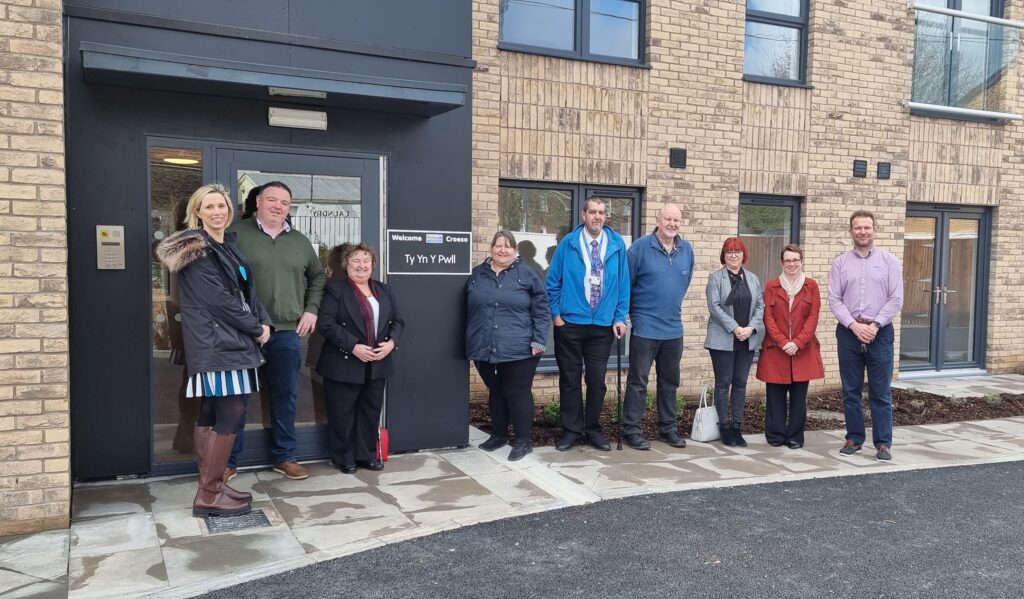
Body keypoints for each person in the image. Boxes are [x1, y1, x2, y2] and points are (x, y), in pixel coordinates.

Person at [156, 183, 272, 517]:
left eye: (221, 206)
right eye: (209, 207)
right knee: (231, 411)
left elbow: (247, 292)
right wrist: (256, 328)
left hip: (229, 340)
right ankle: (208, 494)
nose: (217, 212)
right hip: (217, 342)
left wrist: (264, 322)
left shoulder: (227, 245)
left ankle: (214, 485)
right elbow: (218, 301)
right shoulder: (196, 248)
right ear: (197, 212)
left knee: (211, 411)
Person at [228, 181, 326, 480]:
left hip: (287, 333)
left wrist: (311, 309)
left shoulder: (299, 240)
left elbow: (318, 276)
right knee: (238, 399)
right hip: (245, 332)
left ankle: (284, 456)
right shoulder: (236, 235)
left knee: (285, 396)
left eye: (284, 202)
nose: (278, 206)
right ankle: (229, 461)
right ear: (257, 201)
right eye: (272, 199)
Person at [546, 198, 630, 452]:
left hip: (602, 326)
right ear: (584, 215)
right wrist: (556, 314)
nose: (597, 216)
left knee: (597, 381)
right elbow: (552, 281)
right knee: (570, 380)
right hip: (570, 323)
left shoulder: (616, 245)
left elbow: (623, 285)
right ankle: (571, 430)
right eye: (593, 212)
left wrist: (619, 316)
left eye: (602, 212)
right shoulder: (568, 244)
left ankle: (593, 430)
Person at [316, 243, 403, 473]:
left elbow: (398, 321)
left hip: (377, 362)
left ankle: (366, 455)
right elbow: (326, 324)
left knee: (370, 411)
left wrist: (391, 343)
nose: (361, 265)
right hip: (344, 361)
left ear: (373, 265)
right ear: (346, 265)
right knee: (342, 413)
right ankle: (344, 457)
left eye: (366, 260)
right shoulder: (335, 289)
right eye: (356, 260)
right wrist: (353, 346)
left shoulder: (384, 290)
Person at [466, 231, 550, 461]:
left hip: (521, 347)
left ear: (515, 250)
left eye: (508, 246)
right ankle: (499, 435)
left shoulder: (528, 275)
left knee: (517, 392)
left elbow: (542, 311)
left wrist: (539, 340)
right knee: (496, 391)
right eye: (498, 245)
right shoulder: (477, 275)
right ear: (491, 248)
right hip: (484, 346)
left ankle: (523, 440)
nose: (502, 250)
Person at [828, 210, 904, 461]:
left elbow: (896, 298)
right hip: (849, 332)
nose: (863, 232)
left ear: (874, 230)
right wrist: (853, 325)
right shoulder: (840, 263)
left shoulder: (889, 261)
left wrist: (876, 324)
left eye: (867, 228)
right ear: (851, 231)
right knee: (851, 390)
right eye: (858, 228)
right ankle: (854, 438)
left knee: (880, 392)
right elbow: (834, 299)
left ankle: (883, 443)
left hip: (880, 333)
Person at [621, 204, 695, 450]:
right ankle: (632, 430)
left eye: (676, 219)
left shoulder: (687, 250)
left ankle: (668, 429)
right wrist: (631, 316)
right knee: (638, 382)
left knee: (669, 383)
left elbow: (682, 285)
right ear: (658, 219)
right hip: (645, 328)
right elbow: (625, 286)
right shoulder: (639, 249)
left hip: (674, 330)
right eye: (668, 219)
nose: (672, 224)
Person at [756, 244, 824, 449]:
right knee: (775, 395)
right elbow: (767, 317)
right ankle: (775, 435)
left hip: (803, 350)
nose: (792, 264)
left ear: (801, 261)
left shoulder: (811, 286)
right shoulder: (771, 286)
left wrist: (798, 343)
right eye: (788, 260)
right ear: (782, 263)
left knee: (798, 397)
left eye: (795, 260)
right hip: (776, 349)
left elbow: (813, 318)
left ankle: (795, 436)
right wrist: (784, 342)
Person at [704, 237, 764, 448]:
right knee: (723, 384)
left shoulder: (753, 279)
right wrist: (735, 327)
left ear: (743, 254)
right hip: (723, 339)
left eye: (737, 252)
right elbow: (715, 307)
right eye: (729, 252)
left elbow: (760, 306)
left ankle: (737, 427)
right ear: (724, 255)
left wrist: (750, 328)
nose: (733, 255)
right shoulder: (715, 278)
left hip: (747, 339)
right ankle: (725, 427)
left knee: (740, 383)